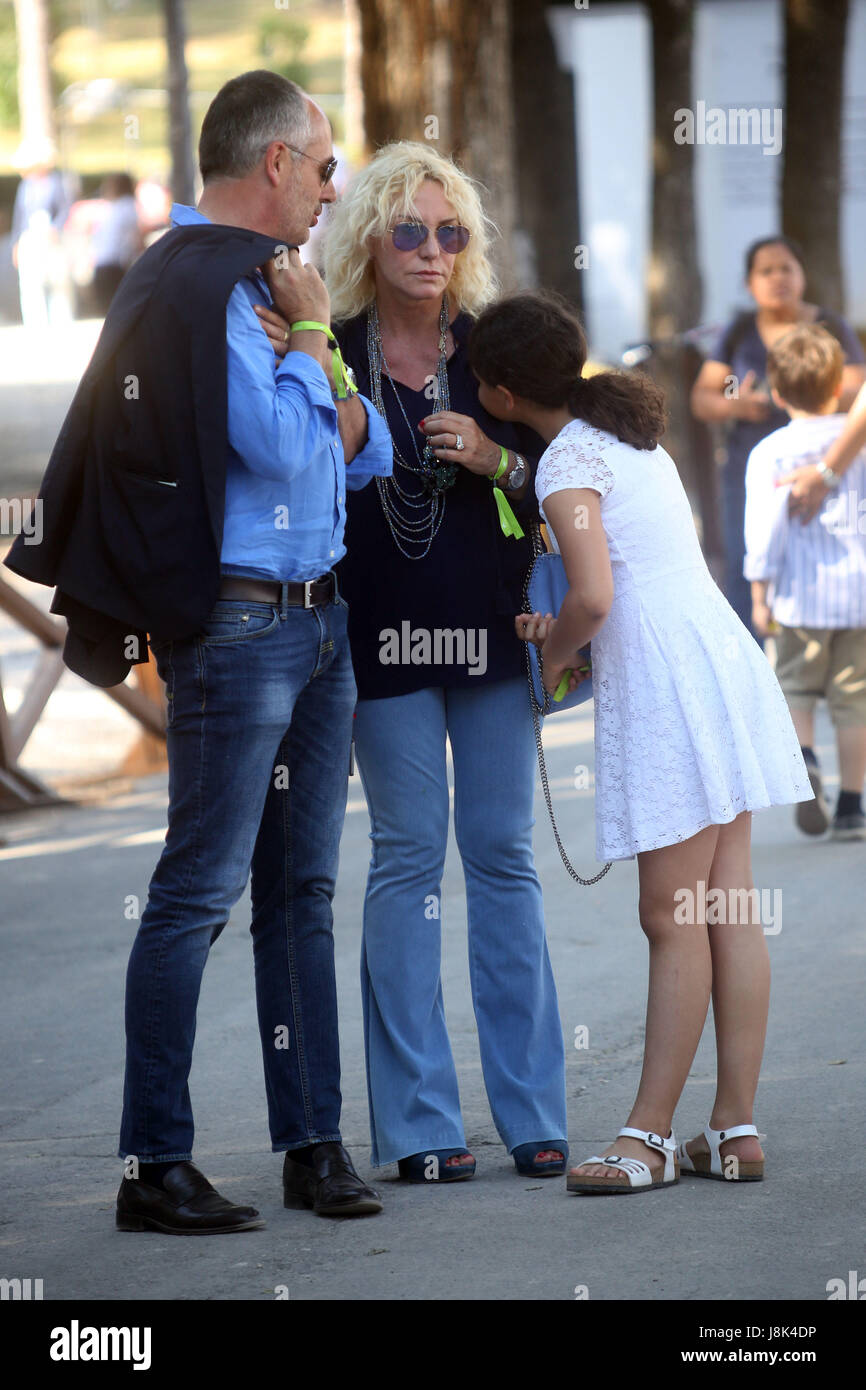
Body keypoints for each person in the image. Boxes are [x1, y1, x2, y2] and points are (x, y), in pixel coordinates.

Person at [8, 71, 394, 1232]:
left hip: (317, 616)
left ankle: (311, 1144)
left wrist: (320, 354)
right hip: (240, 625)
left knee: (303, 891)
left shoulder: (270, 286)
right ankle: (151, 1166)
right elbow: (284, 445)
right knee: (197, 892)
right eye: (324, 167)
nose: (332, 189)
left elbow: (363, 454)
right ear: (274, 161)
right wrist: (318, 338)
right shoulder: (212, 282)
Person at [255, 142, 569, 1183]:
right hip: (376, 643)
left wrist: (498, 459)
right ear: (369, 239)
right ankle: (422, 1127)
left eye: (450, 233)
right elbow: (283, 477)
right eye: (409, 231)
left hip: (489, 639)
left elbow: (570, 478)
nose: (432, 250)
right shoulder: (326, 346)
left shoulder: (496, 353)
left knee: (501, 858)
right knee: (404, 861)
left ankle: (533, 1114)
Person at [468, 290, 812, 1195]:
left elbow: (594, 599)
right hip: (715, 655)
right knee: (725, 905)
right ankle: (732, 1131)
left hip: (669, 682)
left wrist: (552, 647)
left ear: (500, 393)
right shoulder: (619, 429)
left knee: (671, 916)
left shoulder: (565, 462)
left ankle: (648, 1138)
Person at [690, 236, 865, 633]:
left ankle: (822, 645)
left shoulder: (830, 325)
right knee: (744, 560)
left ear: (802, 275)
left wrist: (810, 394)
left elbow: (858, 391)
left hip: (829, 463)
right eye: (765, 271)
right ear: (749, 283)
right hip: (752, 469)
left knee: (832, 557)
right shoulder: (738, 330)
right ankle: (749, 658)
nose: (777, 278)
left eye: (786, 267)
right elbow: (703, 398)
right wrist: (738, 404)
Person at [745, 324, 866, 841]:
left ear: (776, 393)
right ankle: (851, 809)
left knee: (796, 687)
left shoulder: (770, 452)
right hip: (859, 599)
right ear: (840, 385)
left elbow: (763, 529)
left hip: (798, 597)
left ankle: (807, 760)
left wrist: (759, 590)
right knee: (854, 701)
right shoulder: (854, 446)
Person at [10, 136, 73, 329]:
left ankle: (61, 323)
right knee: (30, 285)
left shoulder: (56, 183)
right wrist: (16, 243)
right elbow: (20, 216)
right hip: (31, 236)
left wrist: (56, 227)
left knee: (58, 283)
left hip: (51, 237)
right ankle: (36, 325)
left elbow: (65, 208)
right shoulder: (25, 186)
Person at [90, 173, 143, 314]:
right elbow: (135, 237)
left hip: (106, 262)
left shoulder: (113, 208)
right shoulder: (126, 206)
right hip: (115, 263)